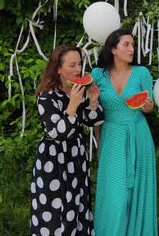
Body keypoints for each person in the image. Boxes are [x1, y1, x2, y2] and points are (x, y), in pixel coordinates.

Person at [30, 45, 104, 236]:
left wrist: (93, 101)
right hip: (53, 158)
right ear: (58, 70)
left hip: (76, 156)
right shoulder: (46, 96)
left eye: (79, 64)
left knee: (78, 203)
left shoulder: (77, 90)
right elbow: (56, 132)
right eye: (72, 65)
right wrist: (72, 105)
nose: (78, 69)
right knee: (55, 208)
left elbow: (92, 120)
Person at [91, 29, 158, 235]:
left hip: (138, 134)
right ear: (113, 48)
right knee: (115, 196)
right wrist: (98, 143)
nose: (132, 49)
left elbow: (150, 106)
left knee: (139, 191)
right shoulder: (97, 75)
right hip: (111, 136)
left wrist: (147, 106)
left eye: (133, 44)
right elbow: (95, 114)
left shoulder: (141, 73)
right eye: (126, 44)